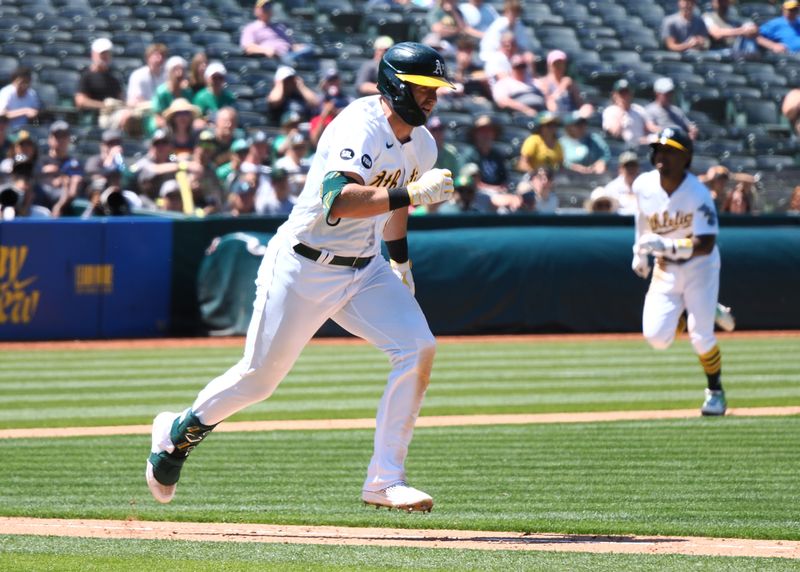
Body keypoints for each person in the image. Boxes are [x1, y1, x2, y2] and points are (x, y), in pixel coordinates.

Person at [145, 42, 455, 512]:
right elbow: (339, 200)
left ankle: (384, 479)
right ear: (395, 84)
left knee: (418, 348)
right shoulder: (360, 124)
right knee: (259, 380)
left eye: (437, 87)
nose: (432, 96)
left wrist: (400, 261)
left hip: (364, 268)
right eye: (424, 86)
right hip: (303, 264)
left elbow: (396, 210)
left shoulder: (424, 145)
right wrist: (410, 192)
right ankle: (177, 433)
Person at [631, 126, 730, 416]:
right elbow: (642, 219)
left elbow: (706, 243)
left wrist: (665, 245)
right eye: (659, 150)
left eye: (671, 151)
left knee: (701, 337)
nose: (663, 156)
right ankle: (697, 310)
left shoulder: (698, 193)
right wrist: (638, 251)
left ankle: (715, 392)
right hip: (666, 269)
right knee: (657, 338)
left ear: (685, 158)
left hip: (701, 267)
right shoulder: (643, 185)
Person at [75, 38, 131, 131]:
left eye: (107, 54)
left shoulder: (114, 77)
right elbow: (80, 101)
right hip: (95, 118)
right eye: (101, 54)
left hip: (114, 116)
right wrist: (104, 105)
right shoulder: (86, 76)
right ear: (94, 54)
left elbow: (121, 99)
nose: (104, 57)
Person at [38, 120, 84, 217]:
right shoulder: (40, 161)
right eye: (57, 136)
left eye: (64, 136)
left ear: (68, 139)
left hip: (66, 206)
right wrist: (43, 173)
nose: (60, 140)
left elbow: (73, 189)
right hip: (41, 204)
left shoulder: (74, 163)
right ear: (50, 139)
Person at [240, 0, 312, 62]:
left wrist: (298, 47)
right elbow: (248, 47)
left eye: (269, 6)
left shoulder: (279, 26)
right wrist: (265, 50)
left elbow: (291, 45)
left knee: (310, 48)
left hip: (290, 55)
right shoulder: (251, 28)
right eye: (264, 7)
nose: (267, 9)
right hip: (276, 59)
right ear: (256, 10)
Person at [479, 0, 536, 67]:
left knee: (529, 57)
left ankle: (532, 76)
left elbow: (523, 46)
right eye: (511, 12)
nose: (513, 15)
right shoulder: (499, 24)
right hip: (491, 55)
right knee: (506, 59)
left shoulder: (519, 25)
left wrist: (524, 55)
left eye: (516, 12)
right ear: (506, 12)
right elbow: (497, 47)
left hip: (511, 54)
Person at [602, 79, 658, 146]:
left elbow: (651, 127)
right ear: (615, 95)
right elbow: (615, 133)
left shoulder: (638, 109)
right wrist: (622, 111)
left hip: (640, 146)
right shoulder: (610, 111)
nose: (624, 96)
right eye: (621, 93)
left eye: (627, 92)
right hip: (621, 147)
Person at [535, 50, 591, 115]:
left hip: (571, 114)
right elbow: (550, 105)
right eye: (556, 64)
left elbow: (580, 103)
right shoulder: (543, 82)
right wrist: (562, 87)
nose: (559, 66)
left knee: (588, 107)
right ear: (549, 65)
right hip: (553, 116)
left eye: (561, 63)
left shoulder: (569, 82)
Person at [149, 56, 193, 135]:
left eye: (182, 70)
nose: (179, 73)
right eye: (175, 70)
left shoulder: (187, 92)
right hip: (165, 126)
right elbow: (157, 116)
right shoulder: (161, 92)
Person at [559, 111, 610, 176]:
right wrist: (574, 167)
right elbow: (560, 160)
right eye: (577, 124)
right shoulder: (561, 143)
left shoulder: (594, 139)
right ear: (569, 127)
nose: (582, 126)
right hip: (568, 177)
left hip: (592, 175)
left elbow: (606, 154)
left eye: (583, 123)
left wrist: (601, 162)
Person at [126, 43, 168, 109]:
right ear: (148, 57)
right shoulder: (138, 75)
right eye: (156, 55)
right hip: (143, 111)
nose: (160, 58)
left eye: (163, 55)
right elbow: (135, 102)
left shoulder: (168, 76)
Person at [599, 150, 640, 215]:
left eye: (633, 165)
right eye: (627, 166)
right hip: (619, 223)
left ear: (638, 168)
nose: (631, 169)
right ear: (620, 168)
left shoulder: (644, 185)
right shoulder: (612, 188)